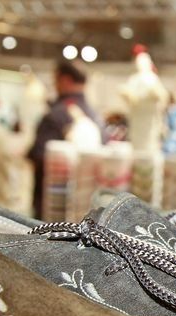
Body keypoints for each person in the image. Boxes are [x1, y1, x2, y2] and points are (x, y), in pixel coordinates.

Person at [28, 60, 106, 216]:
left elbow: (38, 155)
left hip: (53, 209)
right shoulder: (97, 118)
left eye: (55, 80)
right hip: (88, 209)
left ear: (64, 79)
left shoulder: (54, 115)